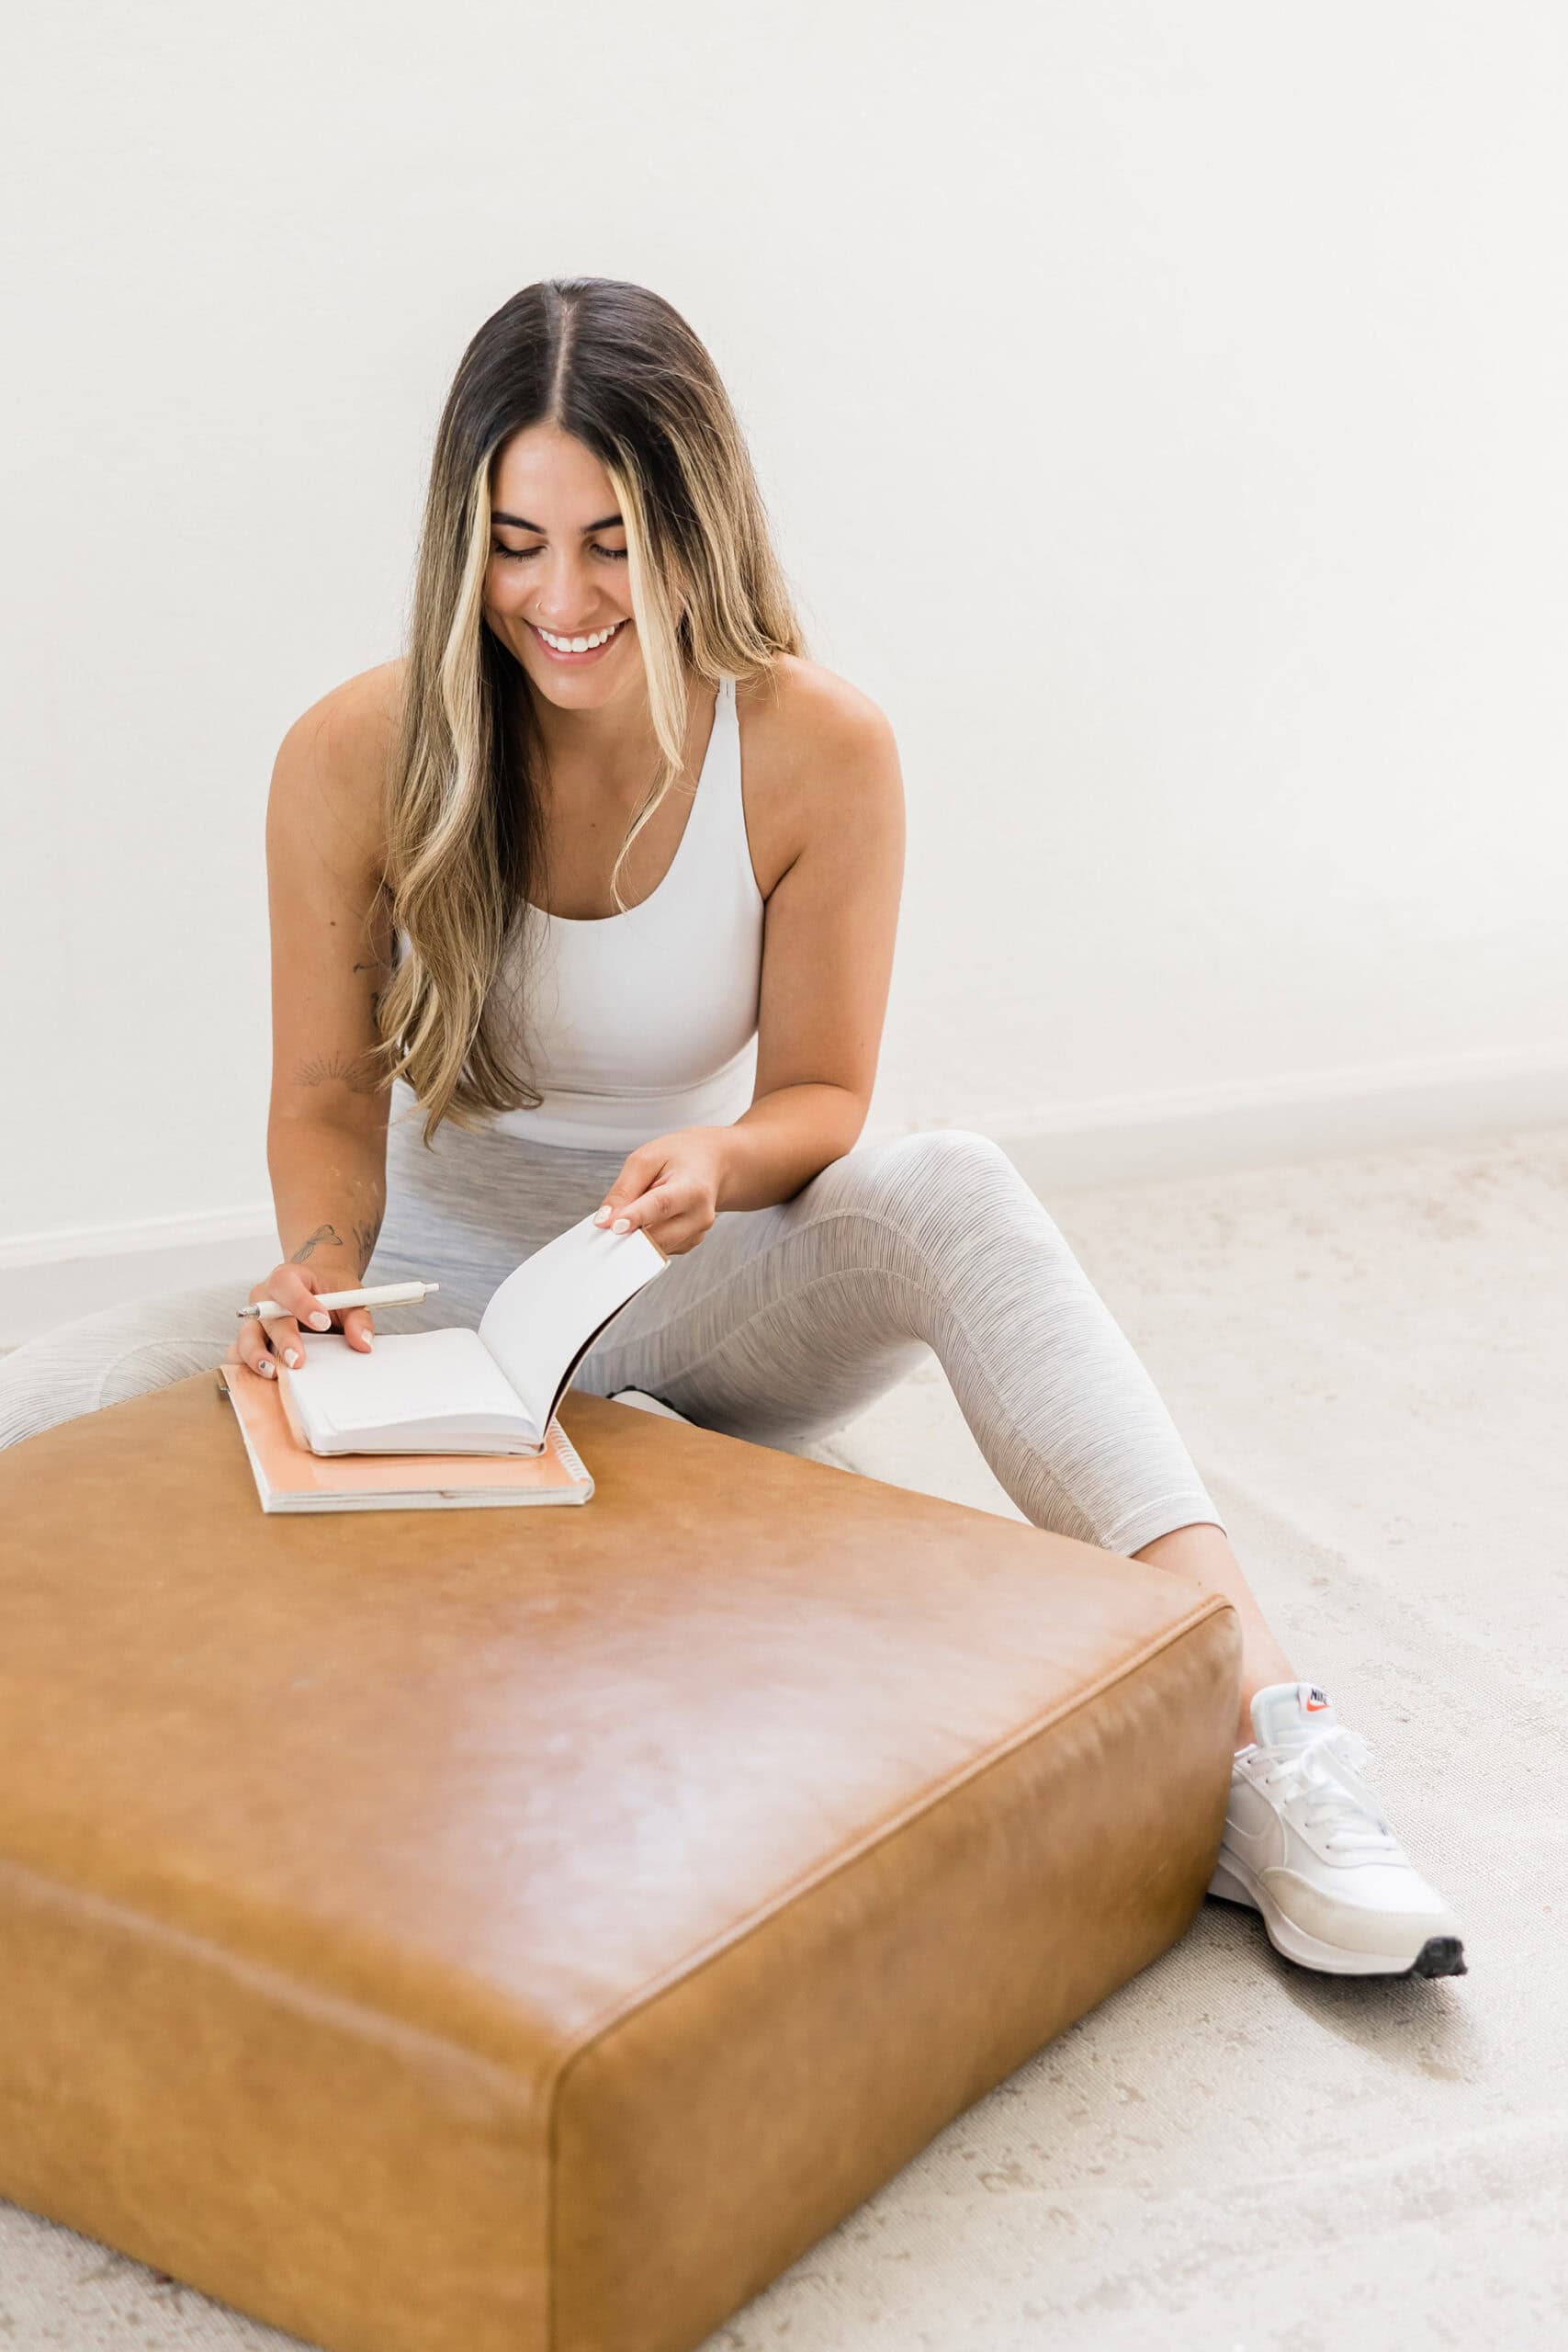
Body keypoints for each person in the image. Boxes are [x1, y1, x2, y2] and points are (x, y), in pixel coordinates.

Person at [0, 276, 1464, 1984]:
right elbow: (327, 1095)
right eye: (516, 539)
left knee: (951, 1184)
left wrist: (721, 1163)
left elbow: (826, 1096)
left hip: (672, 1298)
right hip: (419, 1318)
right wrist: (318, 1271)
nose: (559, 598)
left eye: (614, 539)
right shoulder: (357, 749)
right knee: (42, 1403)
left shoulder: (816, 745)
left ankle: (1263, 1739)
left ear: (700, 518)